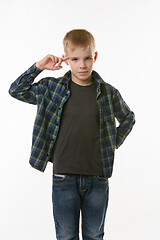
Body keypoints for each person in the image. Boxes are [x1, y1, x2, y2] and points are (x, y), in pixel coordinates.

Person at [8, 29, 135, 240]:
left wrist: (115, 140)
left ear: (95, 57)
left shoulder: (108, 92)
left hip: (98, 178)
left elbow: (128, 118)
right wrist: (39, 66)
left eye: (87, 58)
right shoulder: (52, 88)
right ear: (66, 59)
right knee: (66, 236)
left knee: (94, 235)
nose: (82, 65)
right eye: (75, 59)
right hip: (63, 177)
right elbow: (16, 90)